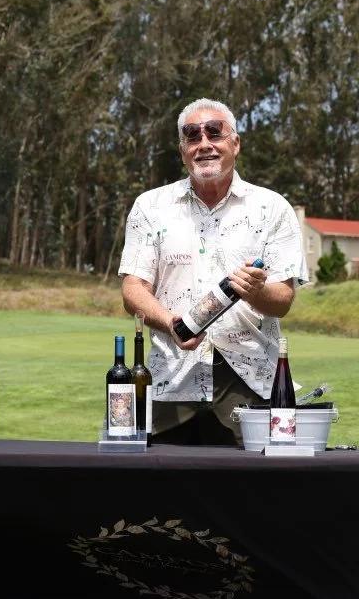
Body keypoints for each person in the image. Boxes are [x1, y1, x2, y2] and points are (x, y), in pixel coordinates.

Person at [119, 99, 305, 446]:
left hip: (249, 380)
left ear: (235, 143)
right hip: (169, 378)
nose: (204, 143)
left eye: (215, 132)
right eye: (192, 136)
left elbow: (282, 300)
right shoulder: (150, 206)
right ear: (182, 151)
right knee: (156, 478)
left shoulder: (272, 208)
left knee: (252, 480)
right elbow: (133, 290)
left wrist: (256, 291)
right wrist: (170, 323)